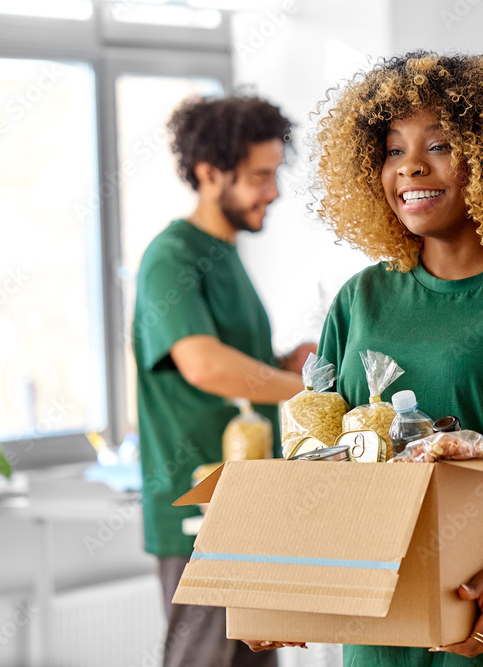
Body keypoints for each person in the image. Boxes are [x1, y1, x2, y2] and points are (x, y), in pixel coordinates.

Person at [246, 52, 483, 666]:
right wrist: (282, 578)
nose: (411, 168)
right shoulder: (361, 299)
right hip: (384, 637)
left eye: (441, 145)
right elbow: (322, 460)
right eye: (393, 150)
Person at [132, 95, 313, 667]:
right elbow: (205, 365)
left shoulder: (226, 255)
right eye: (260, 176)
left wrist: (287, 363)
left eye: (275, 172)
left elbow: (240, 365)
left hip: (251, 503)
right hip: (200, 510)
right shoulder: (171, 257)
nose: (274, 190)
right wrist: (314, 396)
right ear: (211, 174)